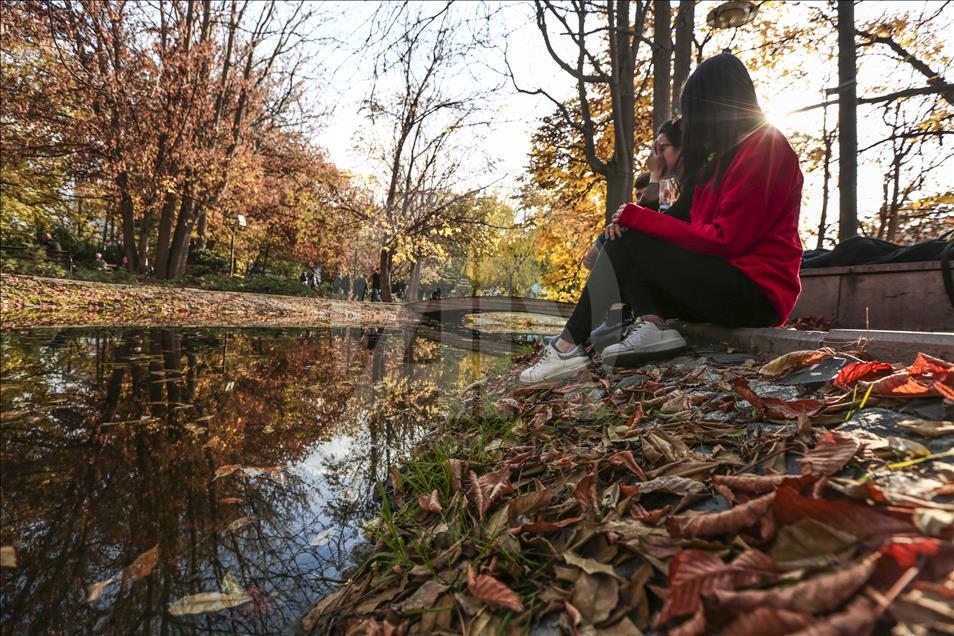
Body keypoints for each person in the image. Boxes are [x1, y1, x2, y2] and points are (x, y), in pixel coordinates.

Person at [520, 52, 803, 384]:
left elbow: (725, 239)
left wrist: (644, 209)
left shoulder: (765, 147)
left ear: (717, 108)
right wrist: (637, 212)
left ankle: (568, 345)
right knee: (627, 242)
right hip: (719, 279)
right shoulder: (718, 161)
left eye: (695, 114)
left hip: (756, 292)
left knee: (631, 240)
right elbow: (674, 220)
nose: (691, 125)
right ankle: (646, 324)